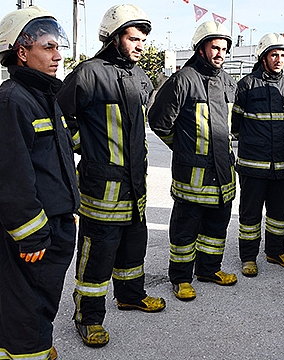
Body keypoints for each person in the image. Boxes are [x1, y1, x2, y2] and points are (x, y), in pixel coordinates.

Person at [57, 4, 166, 348]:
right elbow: (59, 120)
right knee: (98, 253)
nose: (140, 46)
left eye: (143, 40)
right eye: (134, 39)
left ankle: (131, 294)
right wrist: (86, 147)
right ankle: (87, 317)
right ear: (114, 37)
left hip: (135, 187)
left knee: (134, 246)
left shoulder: (140, 77)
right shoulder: (88, 73)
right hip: (101, 188)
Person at [0, 6, 79, 360]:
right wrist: (30, 232)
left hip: (53, 226)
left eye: (57, 47)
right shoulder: (12, 100)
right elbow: (11, 175)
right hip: (35, 234)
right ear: (22, 51)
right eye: (48, 47)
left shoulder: (43, 97)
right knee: (27, 310)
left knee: (39, 303)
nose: (58, 55)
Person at [148, 21, 238, 301]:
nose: (220, 53)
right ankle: (181, 278)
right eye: (215, 47)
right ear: (201, 49)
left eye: (224, 48)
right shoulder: (183, 79)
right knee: (186, 228)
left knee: (216, 226)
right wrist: (184, 148)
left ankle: (209, 270)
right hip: (193, 177)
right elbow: (159, 122)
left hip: (223, 174)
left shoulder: (227, 81)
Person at [232, 33, 284, 277]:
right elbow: (235, 124)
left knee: (278, 215)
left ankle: (275, 252)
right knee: (250, 215)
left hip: (282, 164)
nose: (279, 59)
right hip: (253, 164)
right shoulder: (246, 85)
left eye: (282, 55)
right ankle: (248, 257)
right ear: (263, 57)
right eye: (274, 54)